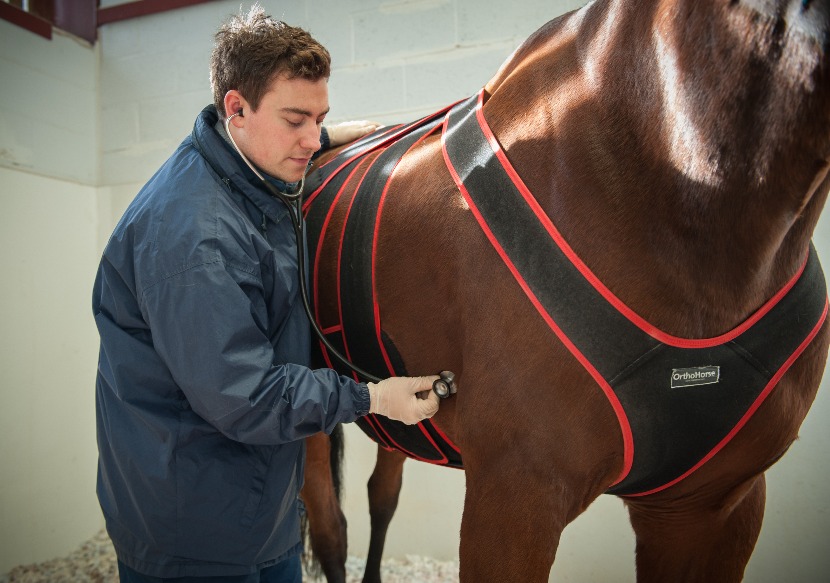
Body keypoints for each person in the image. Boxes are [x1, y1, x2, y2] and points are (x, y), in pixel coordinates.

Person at [92, 5, 441, 582]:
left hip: (255, 508)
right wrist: (374, 400)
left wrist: (326, 138)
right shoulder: (191, 238)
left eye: (320, 117)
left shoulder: (245, 169)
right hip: (196, 535)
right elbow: (245, 396)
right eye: (295, 119)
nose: (310, 138)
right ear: (236, 108)